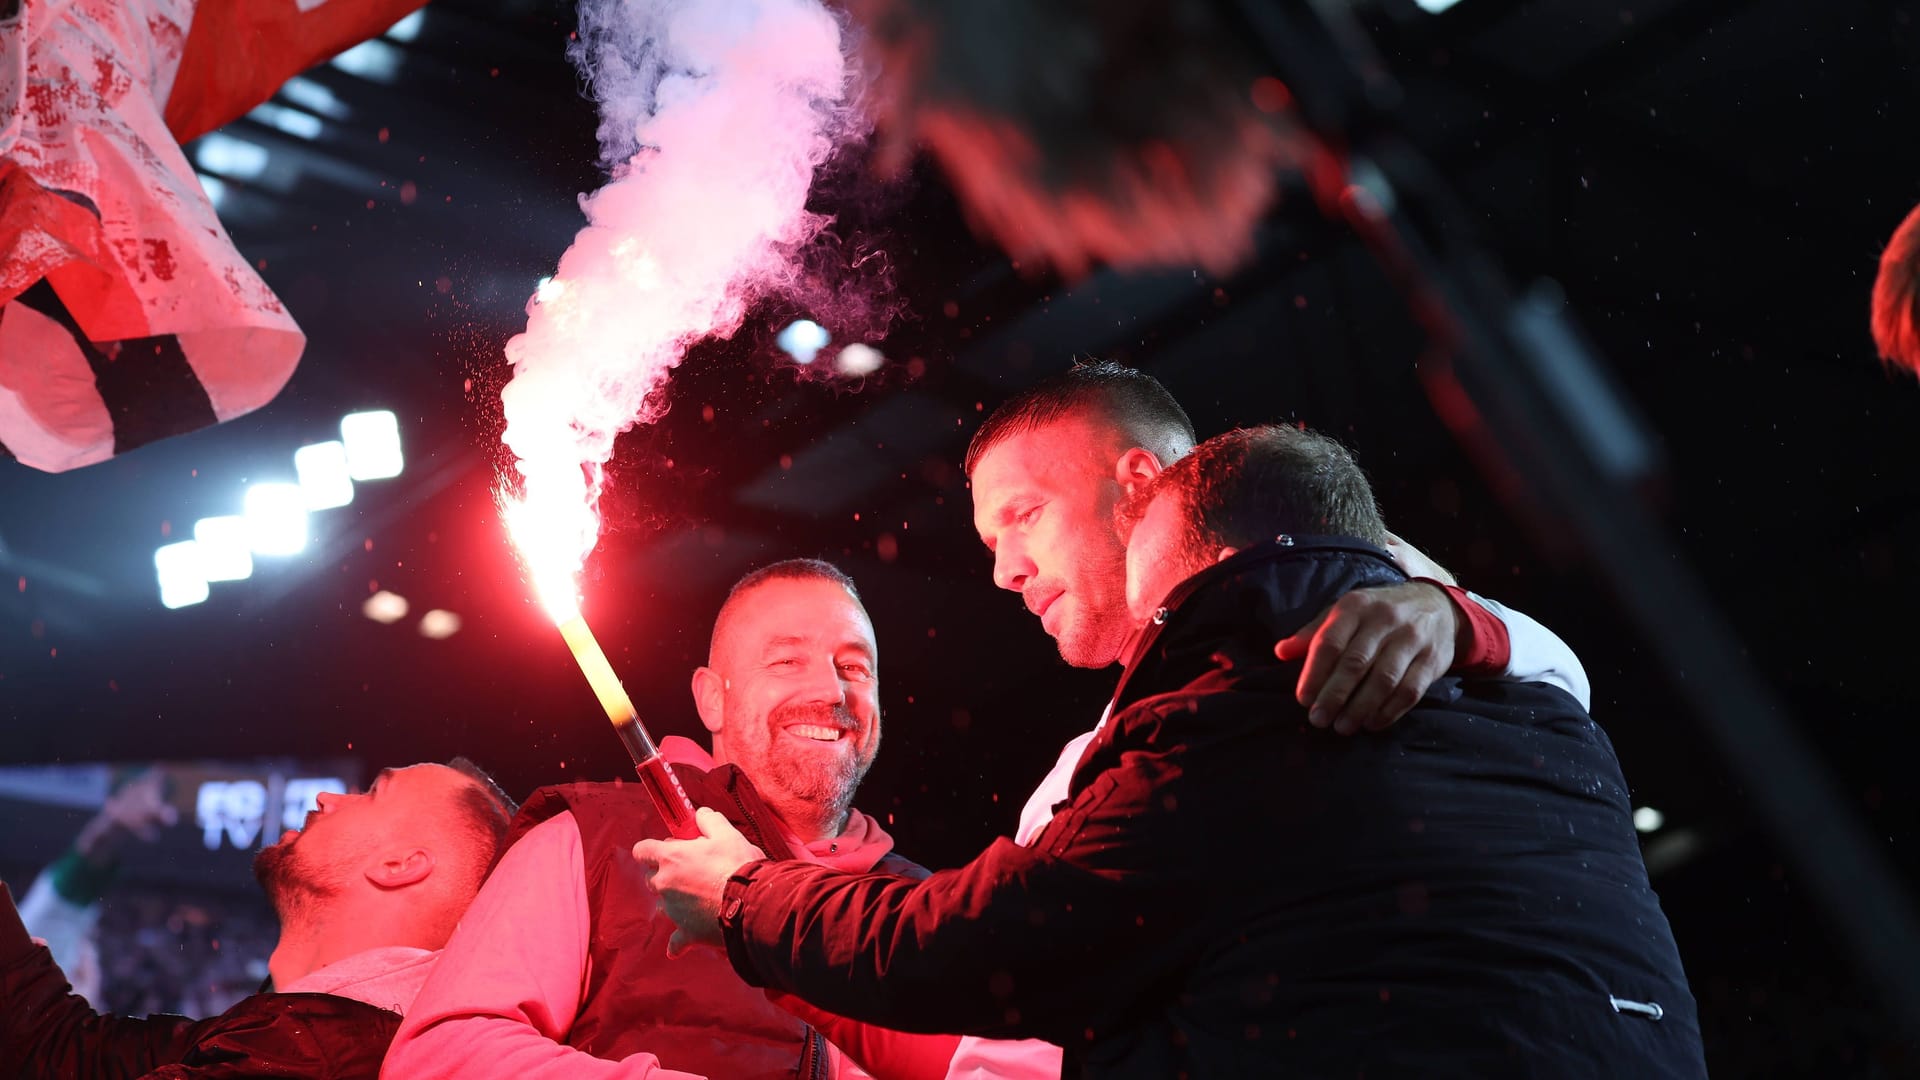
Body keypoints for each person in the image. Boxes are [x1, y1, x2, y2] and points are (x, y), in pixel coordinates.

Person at [639, 423, 1707, 1077]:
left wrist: (745, 899)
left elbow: (984, 950)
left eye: (1021, 515)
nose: (1006, 570)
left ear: (1144, 499)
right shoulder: (1532, 708)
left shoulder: (1225, 718)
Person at [383, 559, 932, 1080]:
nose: (831, 691)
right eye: (787, 661)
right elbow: (441, 1058)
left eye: (854, 668)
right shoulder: (592, 839)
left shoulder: (924, 907)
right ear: (711, 699)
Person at [0, 757, 516, 1080]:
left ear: (400, 866)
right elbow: (62, 1051)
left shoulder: (312, 1059)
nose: (327, 796)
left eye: (372, 792)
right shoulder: (285, 1034)